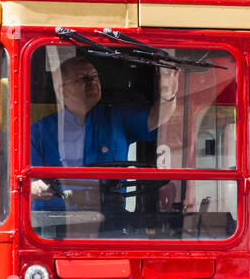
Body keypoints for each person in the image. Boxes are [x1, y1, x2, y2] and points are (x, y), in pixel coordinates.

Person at [31, 57, 182, 224]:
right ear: (61, 91)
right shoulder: (39, 132)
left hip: (112, 221)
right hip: (57, 226)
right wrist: (38, 188)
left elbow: (156, 119)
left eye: (95, 77)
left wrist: (168, 95)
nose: (92, 82)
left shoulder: (117, 117)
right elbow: (28, 183)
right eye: (82, 79)